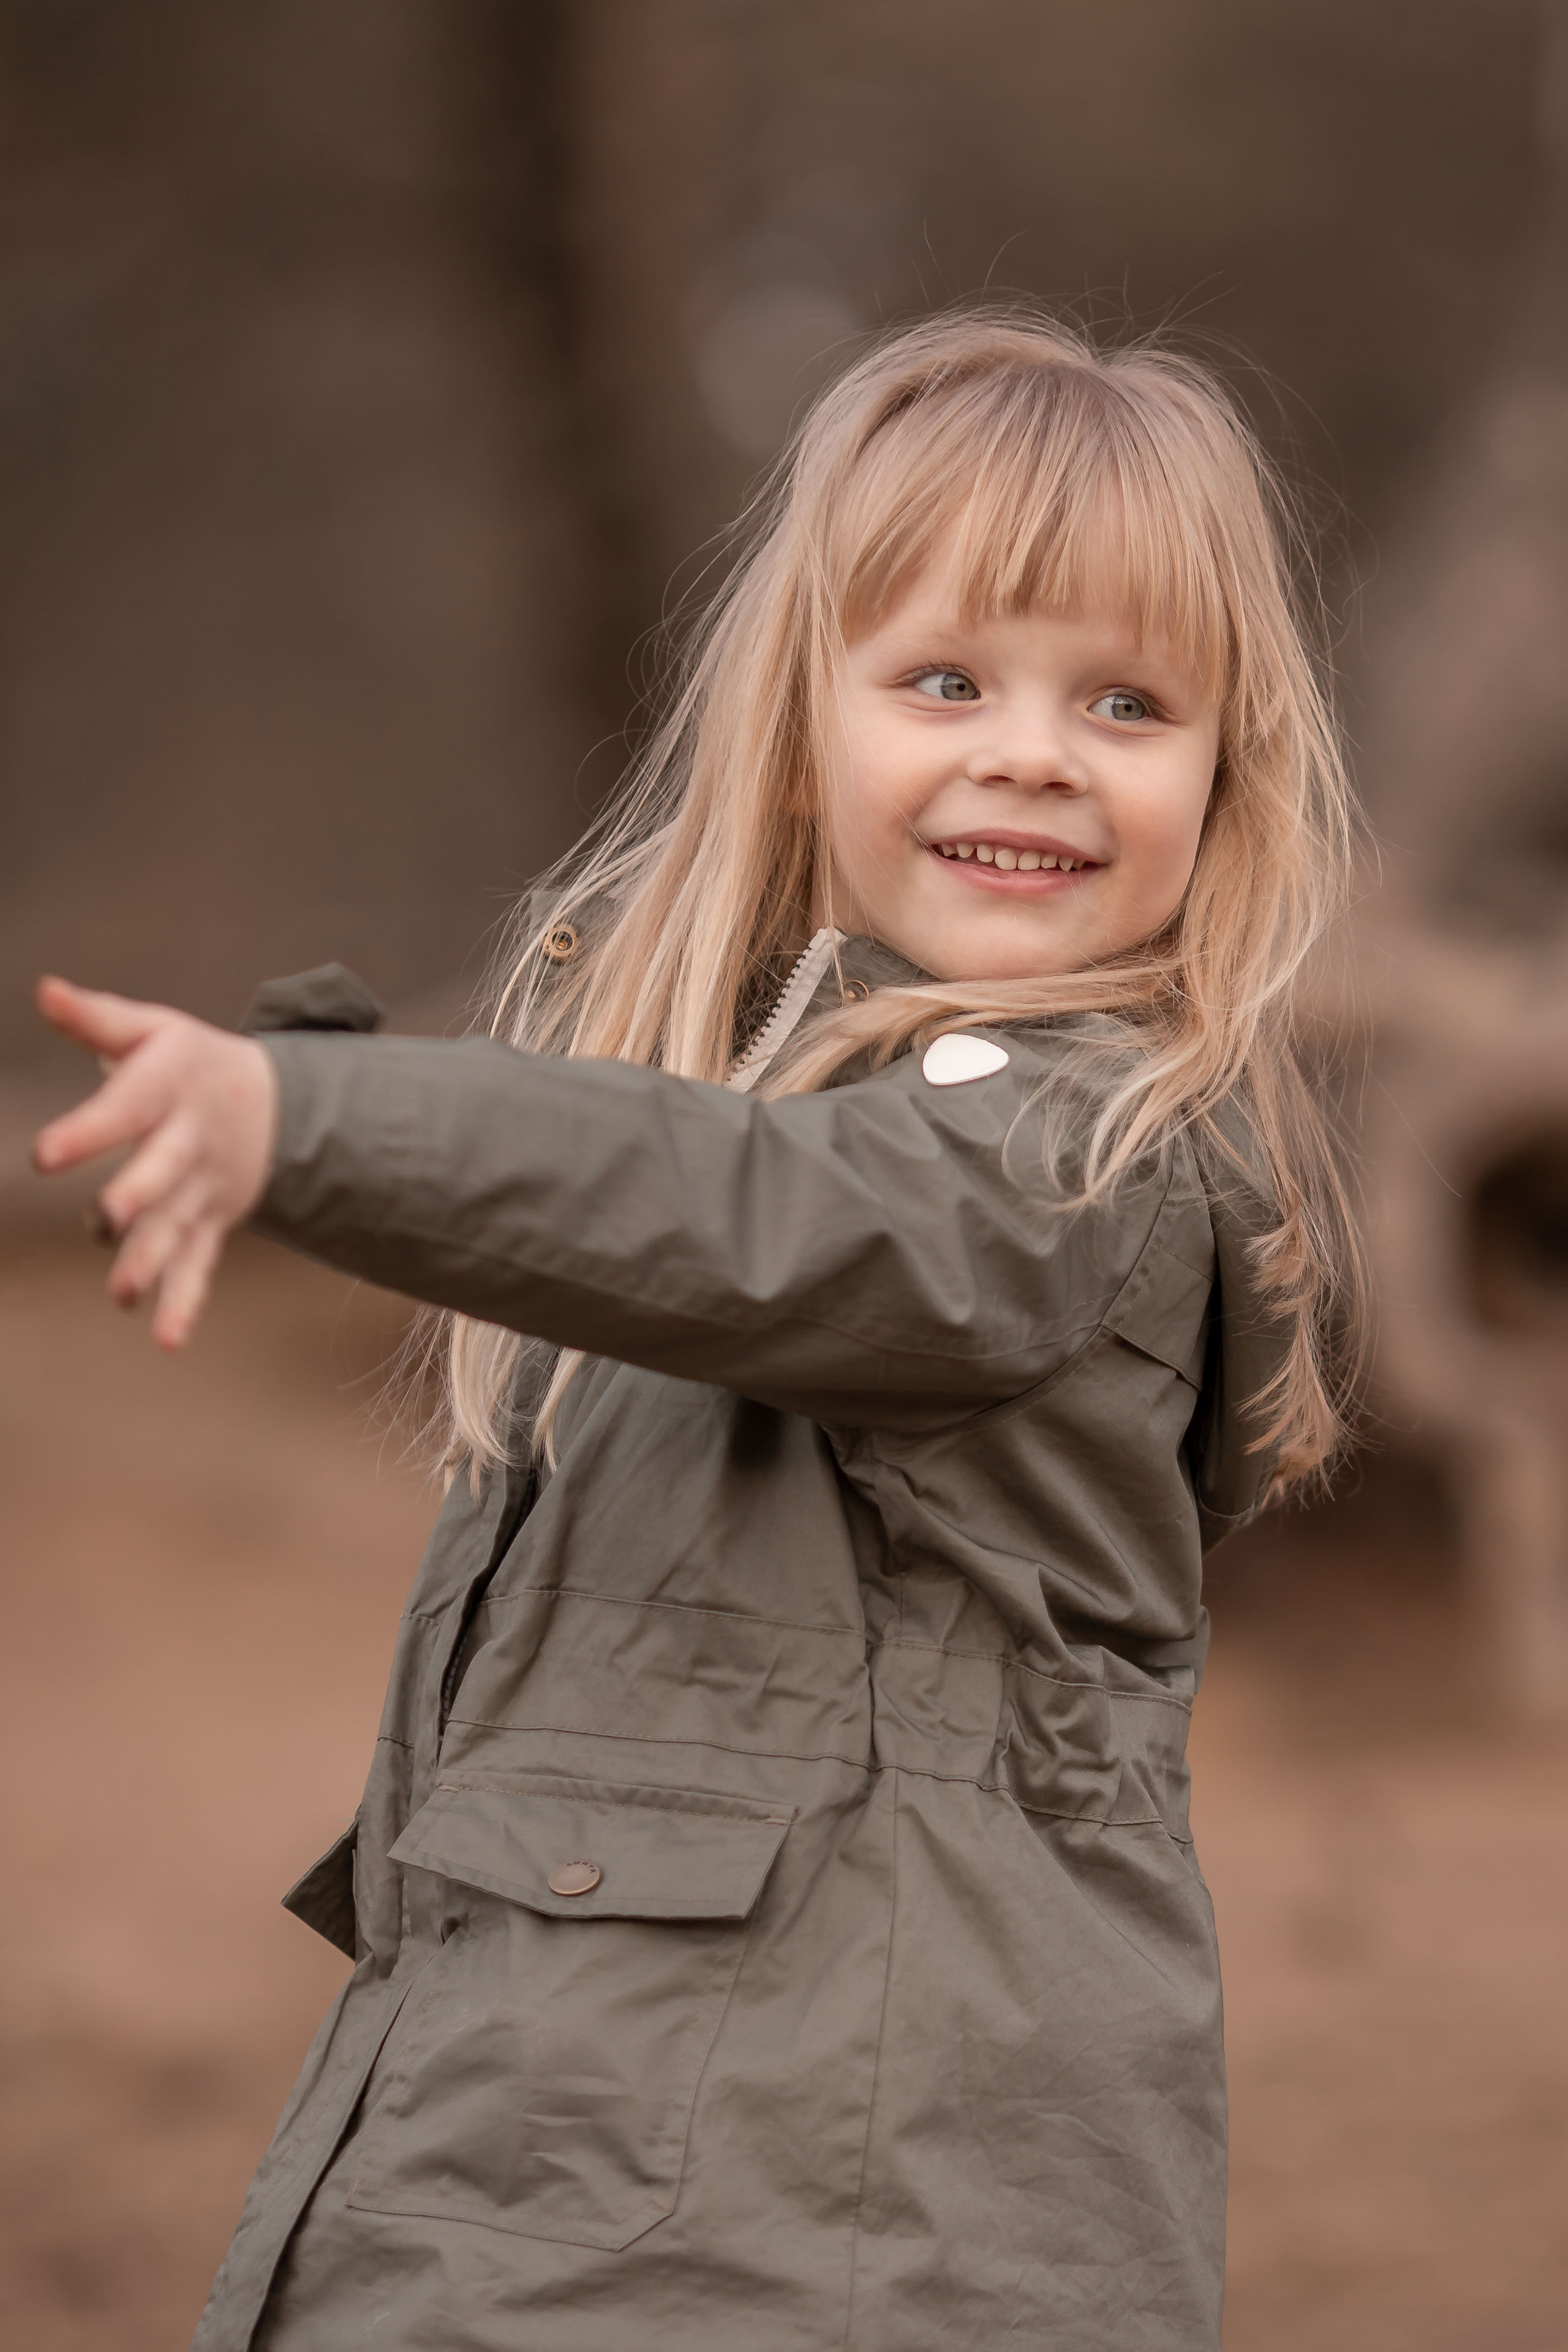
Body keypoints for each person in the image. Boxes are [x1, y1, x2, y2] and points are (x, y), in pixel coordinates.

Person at [32, 311, 1362, 2352]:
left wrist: (311, 1115)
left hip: (812, 2251)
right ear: (802, 720)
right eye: (946, 679)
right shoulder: (797, 1119)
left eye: (1127, 703)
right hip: (578, 2194)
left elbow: (739, 1214)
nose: (1034, 749)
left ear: (1224, 775)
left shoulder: (1067, 1168)